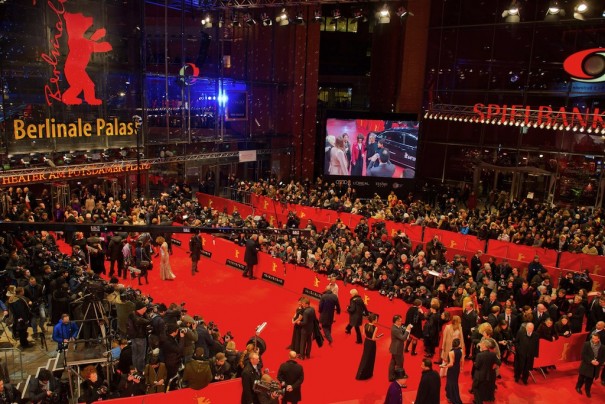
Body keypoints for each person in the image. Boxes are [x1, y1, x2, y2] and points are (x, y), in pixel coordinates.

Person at [576, 332, 605, 397]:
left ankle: (587, 390)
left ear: (599, 339)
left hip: (595, 367)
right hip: (586, 365)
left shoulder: (603, 347)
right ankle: (578, 387)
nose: (594, 340)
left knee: (590, 380)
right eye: (593, 338)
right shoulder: (586, 344)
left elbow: (603, 357)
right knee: (581, 378)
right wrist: (591, 361)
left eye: (595, 339)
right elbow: (583, 355)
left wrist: (599, 362)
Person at [472, 339, 500, 404]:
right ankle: (487, 398)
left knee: (475, 388)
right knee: (487, 388)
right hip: (490, 375)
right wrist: (495, 365)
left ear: (484, 346)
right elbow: (499, 362)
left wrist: (475, 363)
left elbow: (477, 366)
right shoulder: (493, 354)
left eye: (482, 344)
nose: (480, 345)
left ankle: (478, 401)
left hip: (480, 376)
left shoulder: (479, 355)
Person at [388, 314, 412, 381]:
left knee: (393, 362)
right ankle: (399, 377)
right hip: (397, 349)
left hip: (395, 348)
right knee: (400, 363)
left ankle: (391, 376)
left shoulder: (396, 327)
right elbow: (403, 338)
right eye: (400, 321)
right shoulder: (395, 329)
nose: (401, 322)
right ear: (396, 321)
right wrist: (407, 330)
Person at [356, 313, 379, 380]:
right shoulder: (375, 327)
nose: (377, 320)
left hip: (366, 342)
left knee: (365, 356)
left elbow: (364, 334)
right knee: (370, 358)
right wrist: (378, 338)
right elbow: (373, 338)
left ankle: (360, 373)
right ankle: (367, 373)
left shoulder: (365, 324)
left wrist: (369, 337)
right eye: (376, 319)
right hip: (372, 344)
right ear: (374, 320)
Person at [445, 338, 463, 404]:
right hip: (457, 368)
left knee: (450, 382)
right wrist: (461, 367)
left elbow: (451, 364)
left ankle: (451, 397)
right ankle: (451, 396)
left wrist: (444, 366)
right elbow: (462, 360)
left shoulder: (451, 352)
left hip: (452, 369)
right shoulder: (461, 350)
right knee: (455, 382)